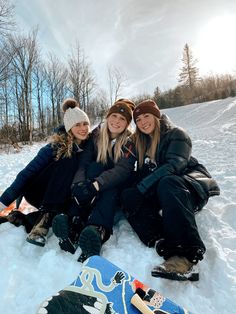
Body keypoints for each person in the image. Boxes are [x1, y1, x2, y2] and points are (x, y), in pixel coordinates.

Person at [121, 99, 220, 281]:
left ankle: (185, 255)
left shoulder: (177, 134)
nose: (143, 122)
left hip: (188, 187)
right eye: (139, 120)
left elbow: (174, 165)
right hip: (165, 190)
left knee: (167, 182)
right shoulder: (144, 143)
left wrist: (141, 188)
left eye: (146, 116)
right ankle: (160, 239)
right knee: (128, 194)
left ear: (156, 116)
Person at [52, 99, 136, 262]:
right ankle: (73, 222)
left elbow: (122, 170)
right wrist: (78, 183)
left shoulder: (130, 141)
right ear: (108, 116)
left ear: (127, 123)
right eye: (114, 116)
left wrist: (96, 185)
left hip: (114, 185)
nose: (116, 121)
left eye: (122, 118)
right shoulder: (97, 134)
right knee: (93, 167)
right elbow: (84, 161)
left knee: (110, 186)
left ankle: (97, 230)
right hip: (94, 182)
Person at [0, 98, 91, 247]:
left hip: (61, 195)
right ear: (69, 128)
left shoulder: (88, 147)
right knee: (69, 159)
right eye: (77, 125)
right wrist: (3, 202)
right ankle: (43, 220)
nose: (83, 128)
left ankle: (28, 219)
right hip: (38, 191)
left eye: (85, 123)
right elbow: (27, 173)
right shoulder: (55, 146)